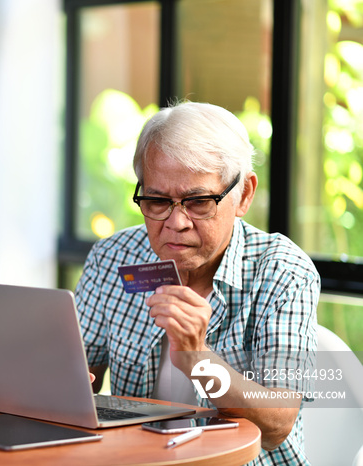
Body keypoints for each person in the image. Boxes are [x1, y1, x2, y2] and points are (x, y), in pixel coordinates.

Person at [76, 101, 320, 465]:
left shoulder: (282, 271)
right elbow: (80, 377)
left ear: (244, 195)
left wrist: (197, 357)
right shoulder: (113, 257)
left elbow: (277, 423)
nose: (176, 223)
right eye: (157, 201)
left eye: (199, 202)